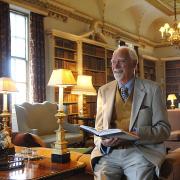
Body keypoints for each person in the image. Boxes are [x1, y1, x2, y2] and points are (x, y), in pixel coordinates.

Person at [91, 46, 171, 180]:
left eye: (121, 61)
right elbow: (98, 130)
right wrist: (103, 142)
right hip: (110, 154)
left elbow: (164, 129)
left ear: (134, 64)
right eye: (112, 61)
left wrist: (136, 134)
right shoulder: (103, 91)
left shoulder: (153, 90)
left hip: (140, 152)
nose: (115, 66)